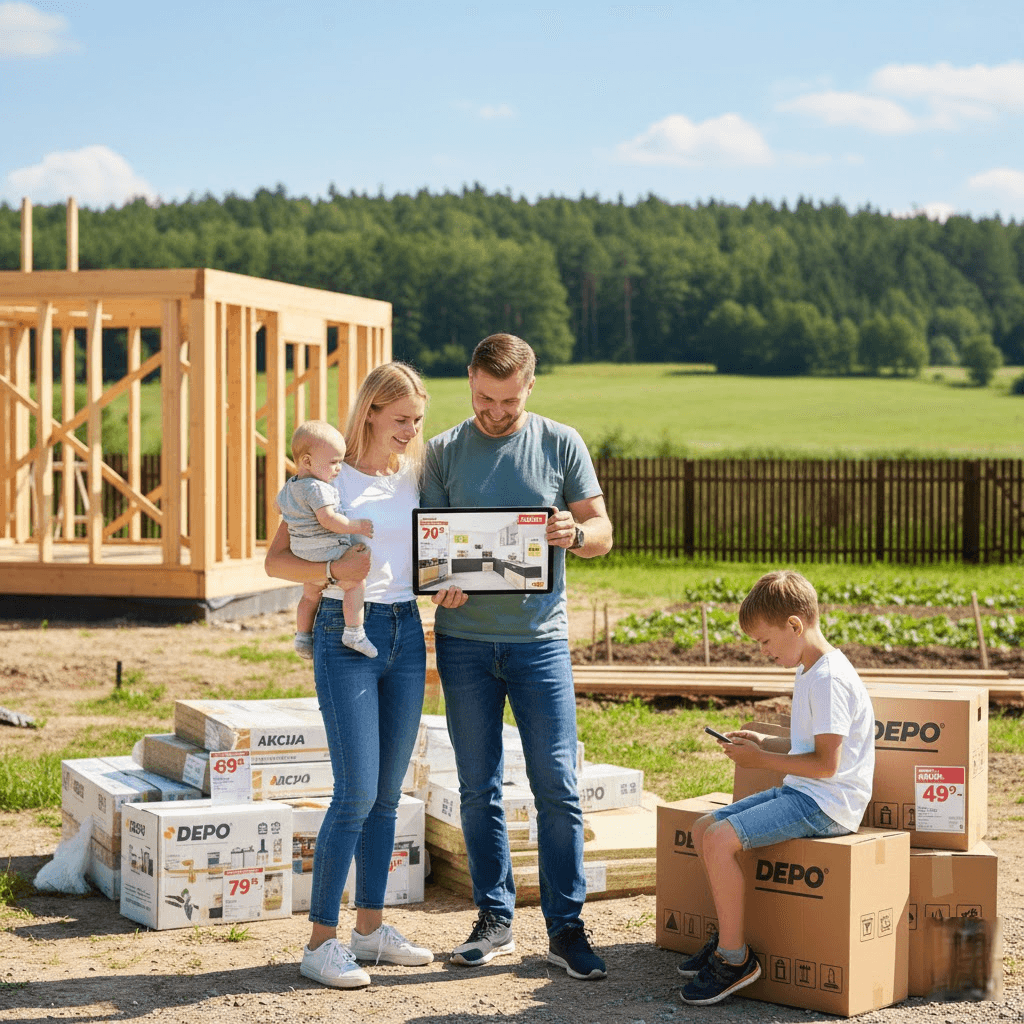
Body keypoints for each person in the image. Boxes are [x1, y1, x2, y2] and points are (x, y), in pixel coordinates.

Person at [421, 332, 614, 981]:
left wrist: (575, 532)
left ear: (530, 387)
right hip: (464, 644)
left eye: (509, 400)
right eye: (484, 398)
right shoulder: (443, 451)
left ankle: (566, 928)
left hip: (540, 644)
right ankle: (494, 919)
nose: (496, 412)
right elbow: (430, 547)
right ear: (469, 380)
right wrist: (437, 583)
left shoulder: (561, 442)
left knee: (557, 785)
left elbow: (603, 533)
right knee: (477, 788)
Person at [265, 362, 457, 990]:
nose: (411, 430)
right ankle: (320, 943)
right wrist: (329, 576)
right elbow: (276, 561)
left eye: (417, 420)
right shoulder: (328, 477)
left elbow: (429, 552)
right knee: (354, 792)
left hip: (407, 629)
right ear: (370, 411)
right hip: (345, 633)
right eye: (401, 419)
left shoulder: (413, 477)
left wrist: (445, 585)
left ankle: (370, 931)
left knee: (387, 794)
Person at [678, 569, 875, 1006]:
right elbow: (809, 747)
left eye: (765, 641)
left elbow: (826, 765)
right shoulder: (809, 669)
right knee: (703, 829)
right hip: (804, 791)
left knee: (720, 839)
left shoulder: (829, 679)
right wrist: (764, 742)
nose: (763, 651)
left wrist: (760, 761)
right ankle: (727, 937)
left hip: (828, 803)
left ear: (794, 625)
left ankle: (734, 960)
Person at [275, 420, 377, 660]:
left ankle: (302, 637)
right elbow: (328, 519)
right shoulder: (318, 488)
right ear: (307, 461)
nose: (338, 468)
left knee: (310, 595)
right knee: (355, 583)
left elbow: (277, 508)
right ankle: (354, 632)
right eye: (333, 462)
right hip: (325, 549)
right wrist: (356, 526)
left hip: (303, 552)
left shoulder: (290, 486)